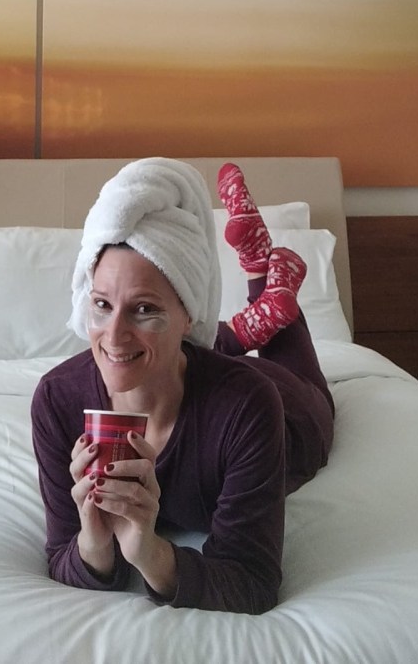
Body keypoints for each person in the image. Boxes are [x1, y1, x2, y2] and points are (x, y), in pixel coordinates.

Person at [31, 158, 334, 614]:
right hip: (184, 365)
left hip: (287, 408)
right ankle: (257, 290)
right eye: (101, 305)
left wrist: (150, 555)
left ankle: (261, 280)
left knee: (312, 389)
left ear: (189, 315)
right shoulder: (58, 401)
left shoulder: (248, 407)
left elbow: (251, 581)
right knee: (160, 353)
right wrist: (94, 541)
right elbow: (62, 556)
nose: (112, 337)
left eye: (145, 309)